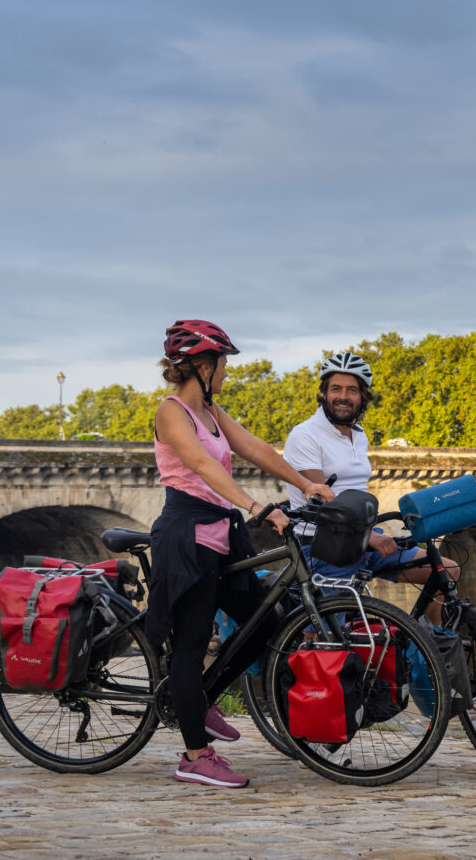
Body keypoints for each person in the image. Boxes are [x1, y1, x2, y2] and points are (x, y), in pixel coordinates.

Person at [147, 319, 335, 789]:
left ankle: (201, 700)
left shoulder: (211, 411)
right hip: (186, 536)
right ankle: (194, 757)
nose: (227, 372)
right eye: (223, 363)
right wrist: (255, 505)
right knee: (188, 649)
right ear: (202, 365)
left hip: (220, 537)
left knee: (264, 624)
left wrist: (304, 483)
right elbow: (200, 464)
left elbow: (252, 447)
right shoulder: (171, 412)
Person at [283, 351, 458, 624]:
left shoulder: (359, 435)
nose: (343, 396)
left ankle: (430, 649)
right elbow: (321, 501)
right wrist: (369, 537)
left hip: (363, 539)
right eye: (336, 389)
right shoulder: (305, 435)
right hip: (322, 547)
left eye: (352, 390)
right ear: (324, 393)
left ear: (363, 396)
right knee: (332, 638)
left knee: (445, 570)